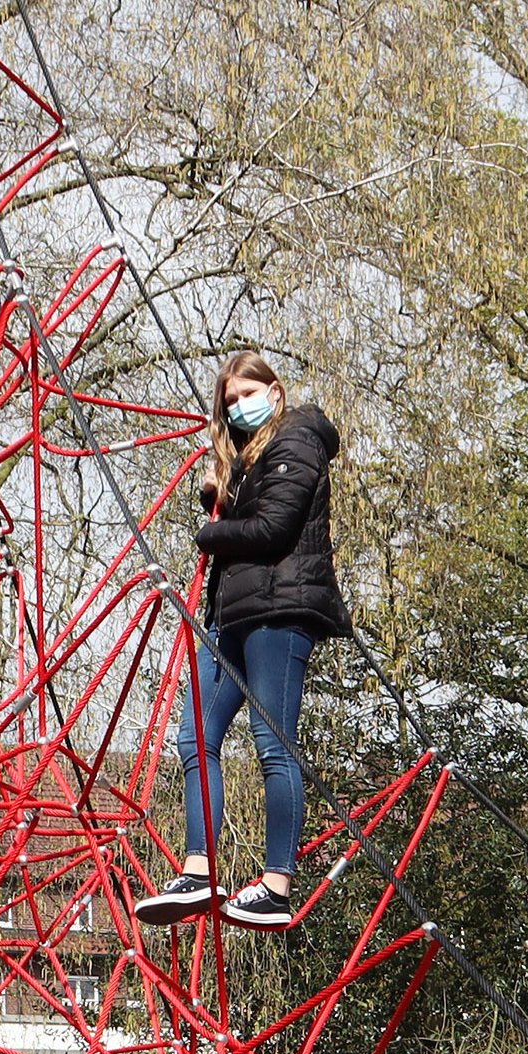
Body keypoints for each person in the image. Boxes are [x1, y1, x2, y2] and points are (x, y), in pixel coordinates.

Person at [133, 352, 355, 934]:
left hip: (280, 611)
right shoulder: (250, 463)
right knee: (195, 735)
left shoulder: (298, 439)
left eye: (246, 394)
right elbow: (251, 521)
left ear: (274, 392)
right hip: (232, 614)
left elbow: (274, 529)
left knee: (272, 740)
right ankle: (199, 868)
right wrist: (222, 499)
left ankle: (277, 884)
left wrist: (212, 526)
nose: (238, 407)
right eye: (228, 402)